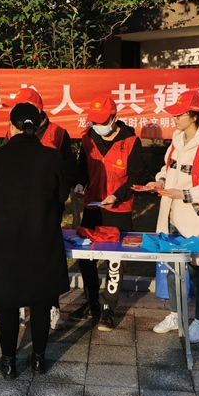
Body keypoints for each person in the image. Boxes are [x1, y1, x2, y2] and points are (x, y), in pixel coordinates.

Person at [0, 103, 70, 378]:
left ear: (11, 125)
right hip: (42, 236)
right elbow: (62, 195)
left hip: (6, 238)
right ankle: (38, 360)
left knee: (7, 301)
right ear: (39, 126)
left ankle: (8, 362)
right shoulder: (52, 157)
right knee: (41, 301)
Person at [149, 91, 199, 344]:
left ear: (194, 117)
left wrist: (183, 194)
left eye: (179, 114)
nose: (174, 118)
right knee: (174, 268)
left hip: (197, 219)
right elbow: (166, 169)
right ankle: (176, 314)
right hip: (173, 216)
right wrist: (160, 181)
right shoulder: (177, 141)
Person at [3, 87, 78, 331]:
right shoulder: (11, 131)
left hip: (48, 208)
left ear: (39, 111)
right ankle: (23, 306)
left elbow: (69, 169)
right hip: (18, 208)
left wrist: (58, 192)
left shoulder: (59, 133)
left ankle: (52, 306)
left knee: (47, 259)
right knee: (20, 257)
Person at [69, 96, 143, 331]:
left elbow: (135, 178)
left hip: (118, 208)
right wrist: (79, 184)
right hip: (92, 206)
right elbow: (83, 170)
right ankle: (91, 302)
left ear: (114, 118)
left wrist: (117, 196)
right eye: (95, 121)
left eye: (102, 121)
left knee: (115, 259)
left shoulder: (131, 141)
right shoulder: (88, 138)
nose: (98, 125)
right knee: (85, 256)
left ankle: (109, 306)